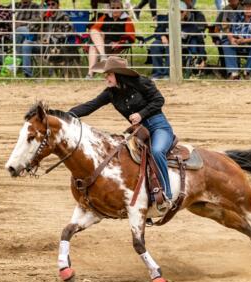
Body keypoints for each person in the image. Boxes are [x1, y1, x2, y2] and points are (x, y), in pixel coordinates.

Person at [69, 56, 174, 211]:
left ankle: (167, 193)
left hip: (159, 126)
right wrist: (66, 115)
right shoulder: (111, 93)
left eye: (109, 74)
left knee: (157, 151)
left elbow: (159, 100)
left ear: (118, 74)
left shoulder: (141, 83)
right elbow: (90, 106)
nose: (106, 78)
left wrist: (141, 114)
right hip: (139, 132)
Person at [149, 1, 206, 79]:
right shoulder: (168, 19)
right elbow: (158, 31)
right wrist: (162, 36)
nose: (179, 14)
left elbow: (200, 42)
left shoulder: (192, 25)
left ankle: (167, 74)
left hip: (181, 46)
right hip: (165, 42)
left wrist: (203, 59)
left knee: (171, 47)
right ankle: (157, 74)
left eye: (182, 11)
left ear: (186, 12)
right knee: (155, 45)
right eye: (177, 11)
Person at [22, 0, 72, 77]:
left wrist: (53, 36)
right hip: (41, 44)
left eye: (53, 4)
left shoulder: (63, 16)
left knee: (52, 48)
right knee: (26, 44)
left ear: (58, 5)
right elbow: (30, 28)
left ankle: (51, 74)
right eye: (48, 4)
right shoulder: (44, 16)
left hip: (55, 46)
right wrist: (40, 18)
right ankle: (28, 74)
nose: (50, 6)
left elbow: (68, 31)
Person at [86, 0, 135, 79]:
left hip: (114, 46)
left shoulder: (127, 20)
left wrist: (119, 43)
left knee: (92, 47)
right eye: (113, 8)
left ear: (122, 9)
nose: (115, 10)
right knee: (94, 32)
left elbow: (131, 38)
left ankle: (90, 74)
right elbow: (93, 28)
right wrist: (102, 34)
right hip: (102, 43)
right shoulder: (105, 17)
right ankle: (100, 60)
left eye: (118, 8)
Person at [222, 0, 251, 79]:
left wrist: (245, 40)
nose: (248, 9)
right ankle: (234, 73)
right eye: (246, 7)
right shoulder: (237, 16)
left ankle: (247, 72)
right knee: (226, 44)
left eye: (250, 7)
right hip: (238, 41)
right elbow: (229, 31)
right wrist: (232, 39)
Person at [212, 0, 243, 76]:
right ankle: (231, 72)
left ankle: (232, 70)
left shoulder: (245, 9)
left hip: (242, 37)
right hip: (227, 38)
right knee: (224, 44)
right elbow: (216, 28)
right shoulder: (225, 10)